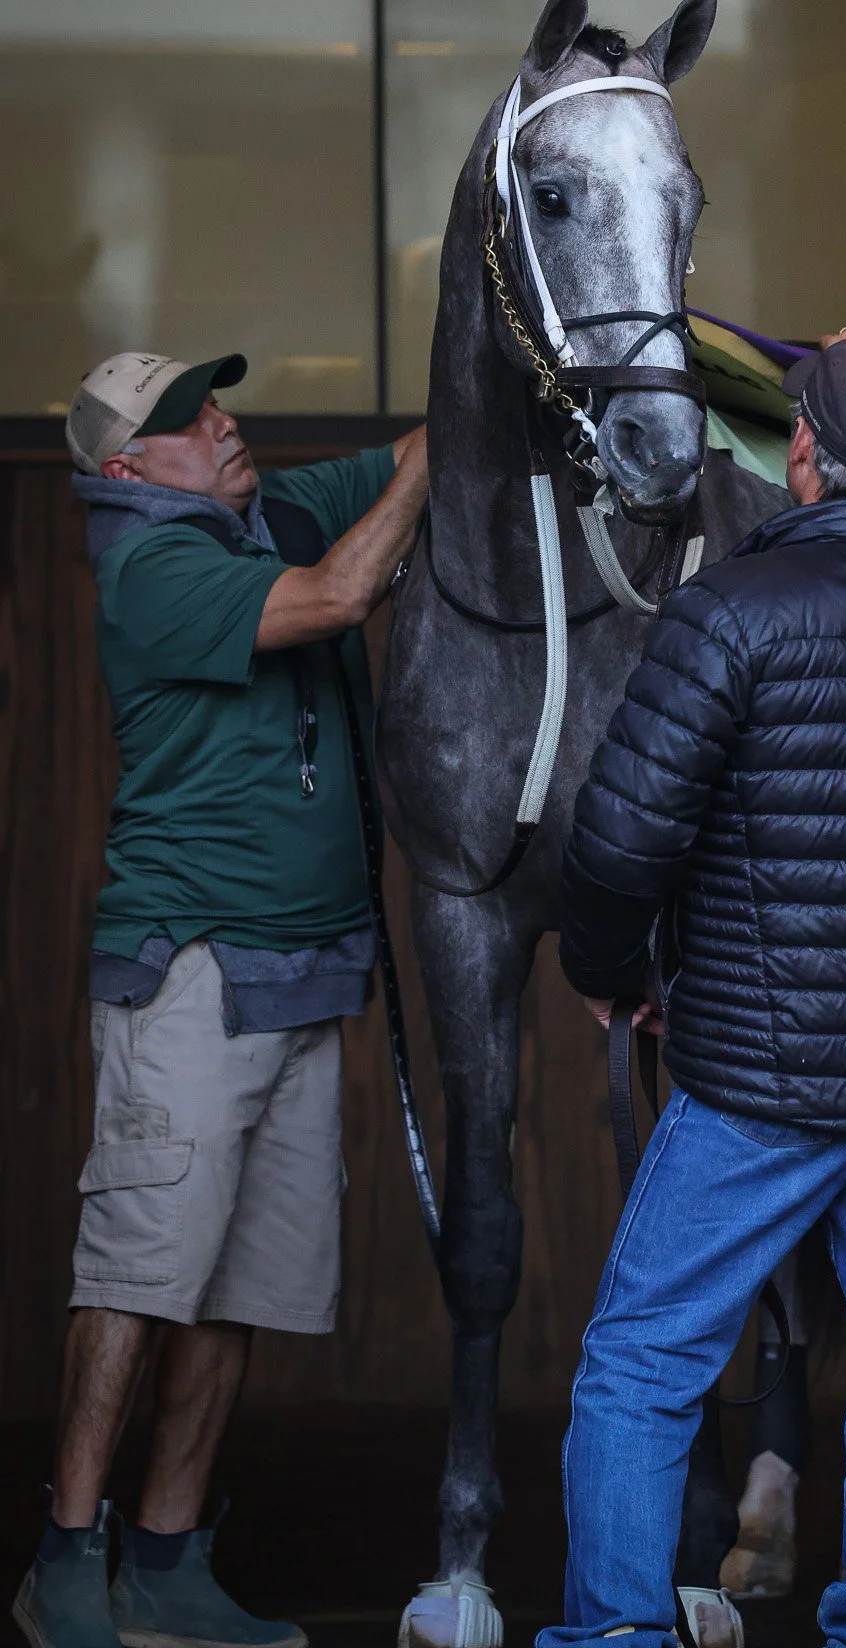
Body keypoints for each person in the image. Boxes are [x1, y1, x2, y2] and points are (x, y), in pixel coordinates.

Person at [539, 333, 846, 1648]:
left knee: (643, 1357)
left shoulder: (731, 612)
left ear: (802, 450)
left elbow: (621, 841)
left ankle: (614, 1637)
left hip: (764, 1068)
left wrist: (612, 974)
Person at [13, 352, 428, 1648]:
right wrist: (433, 460)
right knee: (139, 1277)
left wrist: (489, 383)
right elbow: (343, 593)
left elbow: (417, 449)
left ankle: (168, 1561)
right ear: (127, 467)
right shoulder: (151, 566)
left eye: (216, 399)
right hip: (191, 972)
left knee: (238, 1289)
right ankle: (65, 1563)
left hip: (299, 974)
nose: (222, 421)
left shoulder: (270, 510)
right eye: (186, 419)